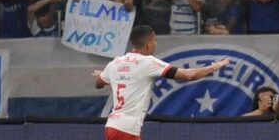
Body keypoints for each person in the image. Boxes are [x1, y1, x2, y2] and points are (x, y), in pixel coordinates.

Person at [93, 25, 229, 139]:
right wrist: (215, 66)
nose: (155, 44)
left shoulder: (115, 63)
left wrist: (105, 76)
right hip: (127, 129)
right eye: (155, 40)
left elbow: (98, 83)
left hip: (112, 125)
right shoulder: (147, 62)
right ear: (148, 43)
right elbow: (189, 75)